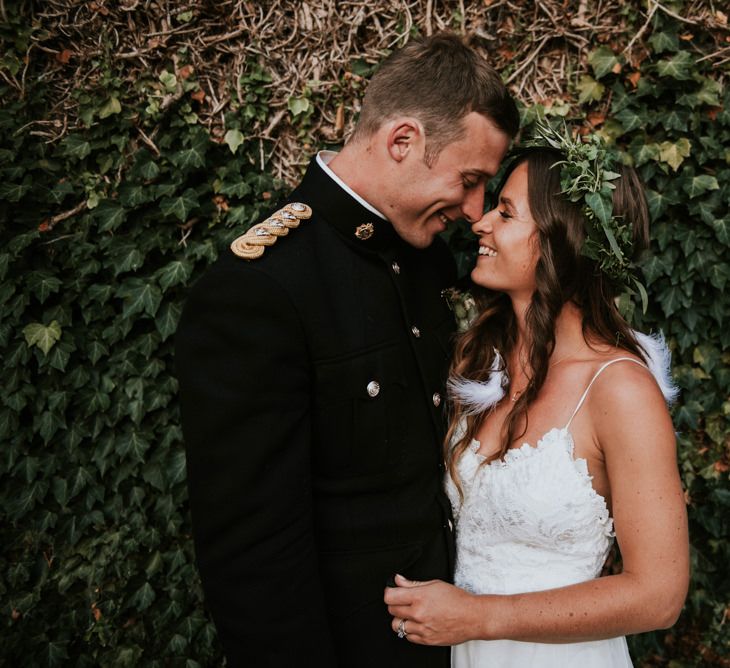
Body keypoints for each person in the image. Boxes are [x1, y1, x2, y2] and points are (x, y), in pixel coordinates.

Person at [175, 32, 519, 667]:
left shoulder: (427, 260)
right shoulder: (259, 289)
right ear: (402, 142)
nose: (476, 210)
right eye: (470, 180)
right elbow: (254, 553)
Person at [384, 136, 690, 667]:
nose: (479, 223)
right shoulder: (480, 362)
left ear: (560, 240)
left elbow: (658, 595)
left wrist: (481, 617)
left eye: (506, 213)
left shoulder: (619, 388)